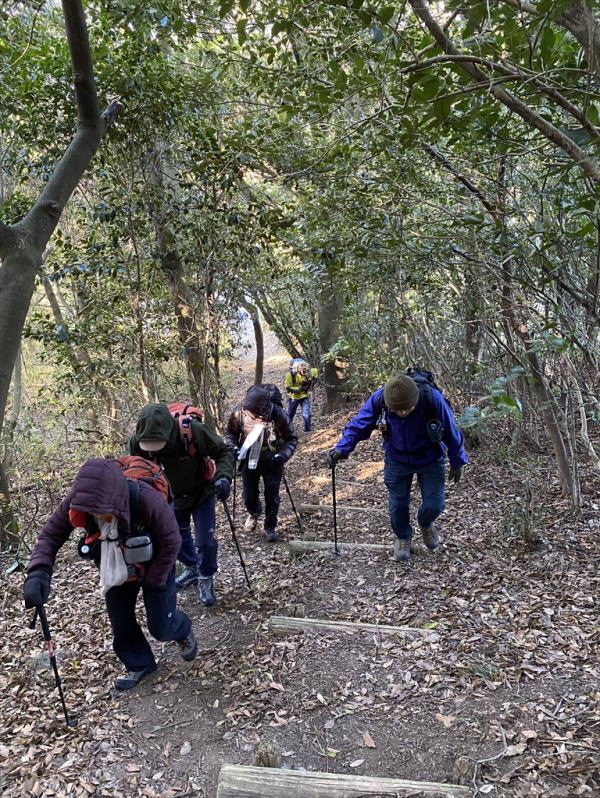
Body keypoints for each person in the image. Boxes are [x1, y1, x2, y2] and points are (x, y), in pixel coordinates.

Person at [23, 458, 197, 691]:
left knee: (161, 628)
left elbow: (172, 541)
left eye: (101, 511)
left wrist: (154, 580)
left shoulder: (146, 498)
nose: (96, 515)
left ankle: (181, 629)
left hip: (155, 564)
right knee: (121, 623)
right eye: (91, 511)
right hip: (114, 566)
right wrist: (38, 572)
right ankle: (140, 664)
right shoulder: (79, 499)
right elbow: (51, 534)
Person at [326, 374, 468, 561]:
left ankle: (425, 523)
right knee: (398, 504)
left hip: (430, 457)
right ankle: (403, 537)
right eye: (397, 410)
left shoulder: (431, 398)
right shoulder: (380, 399)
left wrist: (458, 461)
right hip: (396, 458)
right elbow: (359, 424)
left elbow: (451, 429)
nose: (402, 413)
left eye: (407, 409)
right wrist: (341, 449)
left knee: (435, 504)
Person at [128, 402, 235, 606]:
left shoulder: (192, 430)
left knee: (205, 541)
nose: (154, 451)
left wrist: (224, 478)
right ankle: (192, 567)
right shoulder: (137, 443)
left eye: (158, 444)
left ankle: (205, 576)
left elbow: (223, 452)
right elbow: (134, 471)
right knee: (174, 540)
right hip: (169, 496)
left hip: (202, 492)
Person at [226, 385, 298, 542]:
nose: (251, 416)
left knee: (272, 496)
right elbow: (231, 434)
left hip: (272, 458)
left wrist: (283, 456)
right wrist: (234, 448)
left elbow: (292, 438)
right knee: (248, 495)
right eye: (249, 414)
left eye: (255, 415)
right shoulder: (240, 412)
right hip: (248, 457)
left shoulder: (276, 413)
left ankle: (270, 527)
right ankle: (254, 512)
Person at [285, 359, 318, 432]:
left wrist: (311, 383)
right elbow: (288, 388)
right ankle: (287, 429)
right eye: (302, 369)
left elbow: (316, 373)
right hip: (294, 397)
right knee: (290, 414)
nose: (304, 371)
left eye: (305, 369)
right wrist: (300, 389)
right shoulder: (290, 375)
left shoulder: (309, 371)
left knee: (307, 413)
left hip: (304, 396)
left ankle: (308, 430)